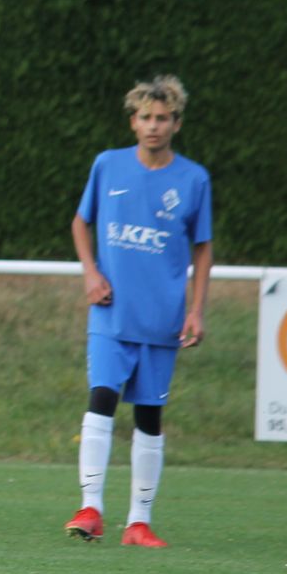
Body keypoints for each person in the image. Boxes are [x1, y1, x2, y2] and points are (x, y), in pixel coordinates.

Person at [65, 74, 212, 549]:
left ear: (176, 124)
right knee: (102, 397)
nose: (153, 125)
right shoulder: (108, 165)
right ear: (133, 121)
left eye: (163, 118)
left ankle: (139, 523)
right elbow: (80, 223)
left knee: (149, 415)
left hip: (162, 319)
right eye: (146, 117)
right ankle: (91, 508)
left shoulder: (193, 179)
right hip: (111, 314)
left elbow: (203, 248)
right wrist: (91, 273)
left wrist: (196, 310)